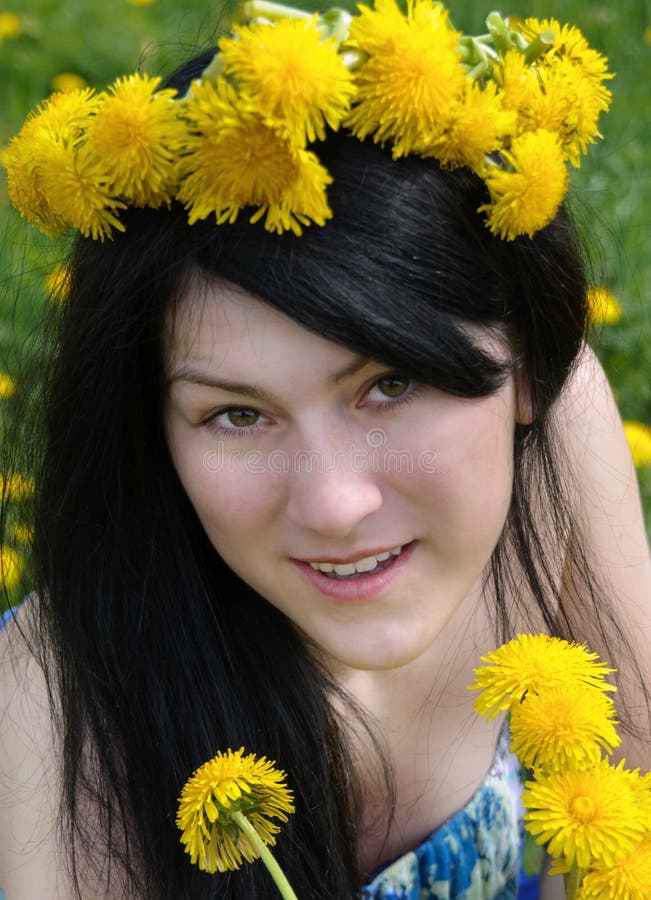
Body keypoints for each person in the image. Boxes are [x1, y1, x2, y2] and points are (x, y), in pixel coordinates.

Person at [1, 2, 650, 897]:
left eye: (390, 385)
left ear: (527, 368)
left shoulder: (553, 431)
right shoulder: (56, 696)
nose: (334, 504)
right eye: (237, 415)